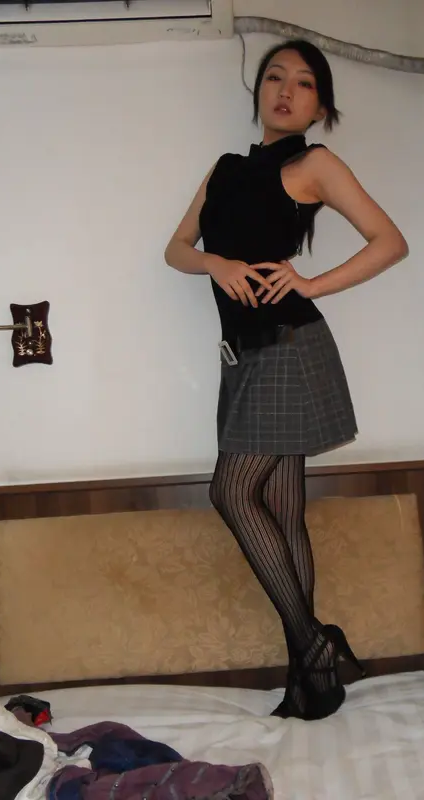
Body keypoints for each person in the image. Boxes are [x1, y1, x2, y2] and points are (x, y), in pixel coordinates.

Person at [165, 39, 409, 721]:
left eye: (303, 83)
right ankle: (311, 678)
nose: (284, 90)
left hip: (290, 345)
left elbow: (390, 241)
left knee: (231, 491)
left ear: (319, 107)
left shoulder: (315, 164)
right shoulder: (225, 169)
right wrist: (215, 264)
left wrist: (309, 282)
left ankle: (314, 646)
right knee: (281, 507)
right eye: (274, 77)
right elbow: (177, 248)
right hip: (245, 354)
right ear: (259, 92)